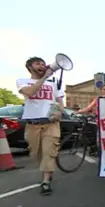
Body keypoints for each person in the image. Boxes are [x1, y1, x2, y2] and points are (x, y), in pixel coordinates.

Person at [16, 57, 65, 196]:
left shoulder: (54, 83)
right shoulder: (23, 81)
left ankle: (45, 181)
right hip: (33, 124)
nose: (42, 65)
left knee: (49, 152)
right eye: (38, 63)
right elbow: (30, 92)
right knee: (36, 153)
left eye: (43, 64)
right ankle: (47, 171)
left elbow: (60, 101)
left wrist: (59, 112)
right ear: (30, 67)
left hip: (51, 124)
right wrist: (44, 78)